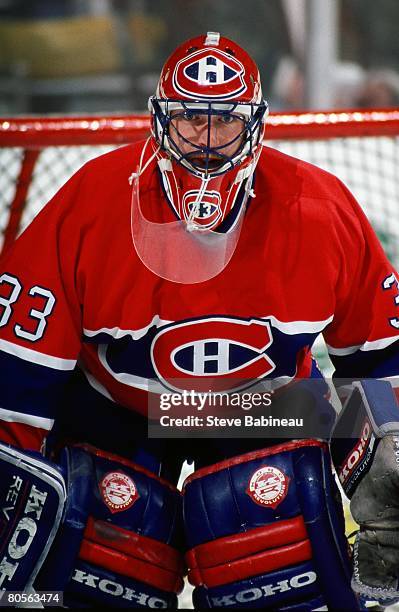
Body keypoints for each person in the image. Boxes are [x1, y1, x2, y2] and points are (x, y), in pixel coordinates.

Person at [0, 31, 399, 609]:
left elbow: (380, 357)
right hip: (118, 408)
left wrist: (387, 453)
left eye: (225, 121)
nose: (206, 140)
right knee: (92, 552)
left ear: (256, 123)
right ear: (160, 120)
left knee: (295, 537)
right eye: (189, 119)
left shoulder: (320, 209)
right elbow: (17, 381)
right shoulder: (90, 203)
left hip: (262, 403)